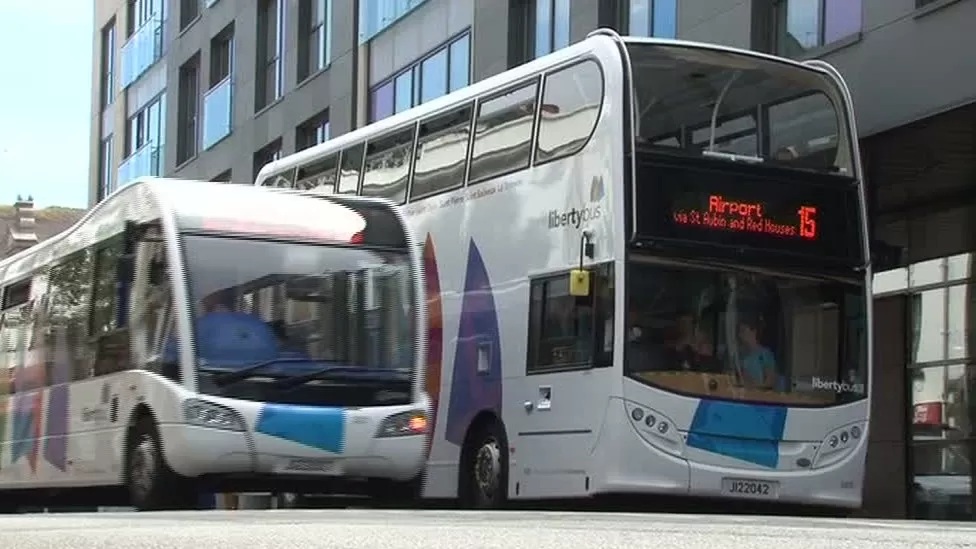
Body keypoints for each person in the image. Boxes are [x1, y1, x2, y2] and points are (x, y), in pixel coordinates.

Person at [736, 315, 777, 389]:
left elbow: (770, 382)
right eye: (739, 332)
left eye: (743, 331)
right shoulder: (742, 356)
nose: (740, 335)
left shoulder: (765, 354)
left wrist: (753, 386)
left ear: (753, 332)